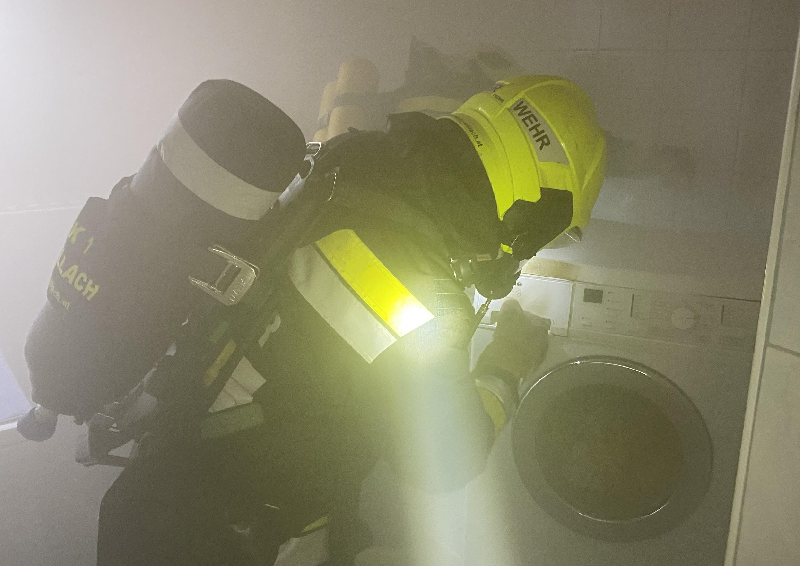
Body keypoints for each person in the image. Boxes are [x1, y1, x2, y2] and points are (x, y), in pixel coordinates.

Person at [89, 74, 605, 566]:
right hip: (226, 541)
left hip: (158, 492)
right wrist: (506, 364)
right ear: (532, 210)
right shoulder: (416, 291)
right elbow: (447, 461)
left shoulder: (349, 165)